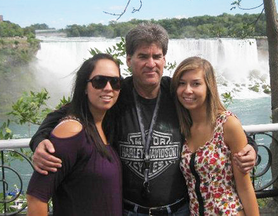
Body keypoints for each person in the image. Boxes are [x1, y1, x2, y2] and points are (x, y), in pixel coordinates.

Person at [29, 23, 257, 216]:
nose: (151, 63)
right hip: (130, 210)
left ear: (164, 59)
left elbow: (215, 118)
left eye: (156, 56)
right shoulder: (117, 92)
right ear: (129, 60)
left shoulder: (176, 92)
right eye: (142, 56)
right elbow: (65, 113)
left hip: (178, 209)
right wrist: (40, 140)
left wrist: (250, 146)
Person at [26, 53, 123, 216]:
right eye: (99, 81)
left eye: (115, 82)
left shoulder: (104, 124)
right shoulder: (72, 130)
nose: (108, 88)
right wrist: (39, 139)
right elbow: (36, 197)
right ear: (84, 86)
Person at [171, 56, 259, 216]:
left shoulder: (227, 124)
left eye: (196, 83)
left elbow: (245, 187)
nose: (187, 90)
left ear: (209, 87)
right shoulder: (183, 127)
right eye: (182, 83)